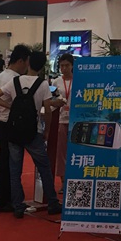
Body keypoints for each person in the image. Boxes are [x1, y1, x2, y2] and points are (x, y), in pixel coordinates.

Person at [0, 51, 62, 219]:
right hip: (33, 132)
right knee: (44, 167)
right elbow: (47, 111)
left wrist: (12, 107)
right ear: (42, 66)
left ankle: (18, 206)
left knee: (15, 170)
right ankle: (52, 202)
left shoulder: (15, 81)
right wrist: (46, 131)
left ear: (28, 62)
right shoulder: (43, 84)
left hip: (14, 131)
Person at [0, 44, 30, 213]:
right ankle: (3, 201)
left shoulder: (2, 75)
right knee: (8, 164)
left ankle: (4, 199)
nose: (27, 66)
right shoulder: (14, 79)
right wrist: (13, 108)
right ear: (21, 61)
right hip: (8, 124)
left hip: (1, 123)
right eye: (26, 62)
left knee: (5, 163)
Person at [51, 52, 74, 190]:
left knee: (74, 150)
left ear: (72, 66)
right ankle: (63, 181)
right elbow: (51, 100)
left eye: (67, 65)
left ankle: (73, 179)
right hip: (61, 119)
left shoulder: (79, 80)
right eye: (62, 66)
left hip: (75, 120)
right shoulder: (56, 82)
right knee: (61, 152)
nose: (64, 68)